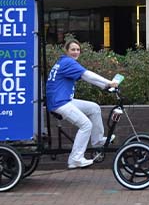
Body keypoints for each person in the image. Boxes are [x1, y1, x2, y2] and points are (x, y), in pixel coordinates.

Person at [46, 38, 119, 169]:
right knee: (86, 125)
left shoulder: (64, 62)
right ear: (66, 51)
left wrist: (106, 86)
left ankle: (97, 141)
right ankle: (75, 159)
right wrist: (108, 82)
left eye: (78, 50)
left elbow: (86, 78)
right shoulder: (68, 62)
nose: (75, 52)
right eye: (72, 49)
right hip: (60, 103)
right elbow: (88, 75)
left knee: (94, 108)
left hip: (64, 100)